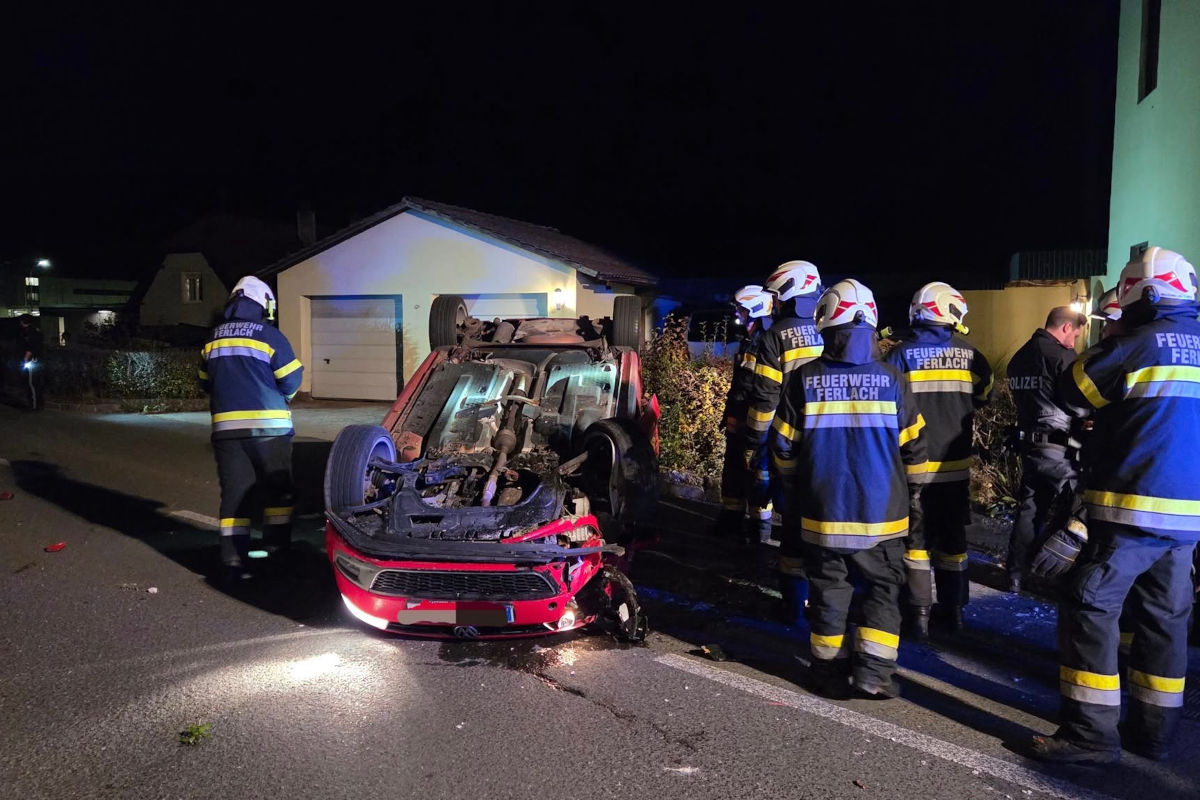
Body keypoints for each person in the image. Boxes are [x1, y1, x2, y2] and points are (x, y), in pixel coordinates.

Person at [1030, 246, 1200, 764]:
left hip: (1132, 508)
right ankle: (1153, 733)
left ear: (1146, 293)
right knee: (1165, 619)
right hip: (1187, 519)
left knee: (1090, 605)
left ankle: (1090, 735)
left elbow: (1073, 389)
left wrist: (1115, 338)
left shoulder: (1136, 344)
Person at [769, 279, 927, 699]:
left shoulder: (804, 379)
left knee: (829, 591)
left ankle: (826, 671)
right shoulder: (893, 380)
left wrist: (796, 484)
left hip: (823, 513)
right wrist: (913, 493)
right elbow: (915, 449)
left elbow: (782, 446)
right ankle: (873, 675)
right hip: (883, 517)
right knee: (882, 590)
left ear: (826, 324)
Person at [885, 282, 992, 636]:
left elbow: (885, 406)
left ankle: (917, 616)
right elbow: (984, 396)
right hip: (956, 469)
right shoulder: (973, 356)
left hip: (913, 470)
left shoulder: (900, 356)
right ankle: (954, 612)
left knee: (916, 543)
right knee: (953, 542)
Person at [199, 276, 304, 580]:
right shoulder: (269, 335)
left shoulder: (212, 339)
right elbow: (292, 380)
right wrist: (281, 396)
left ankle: (233, 558)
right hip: (269, 429)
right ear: (264, 305)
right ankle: (277, 551)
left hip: (227, 432)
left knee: (234, 495)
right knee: (279, 493)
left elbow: (205, 382)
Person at [748, 260, 824, 619]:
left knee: (793, 526)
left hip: (789, 443)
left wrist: (755, 440)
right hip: (833, 445)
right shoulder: (832, 328)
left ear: (791, 294)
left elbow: (765, 399)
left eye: (778, 296)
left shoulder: (775, 336)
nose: (774, 303)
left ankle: (794, 606)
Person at [1003, 306, 1087, 592]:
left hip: (1030, 447)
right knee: (1078, 509)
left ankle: (1015, 575)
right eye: (1076, 335)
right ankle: (1058, 576)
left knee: (1030, 510)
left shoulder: (1019, 358)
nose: (1074, 341)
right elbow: (1079, 404)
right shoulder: (1062, 357)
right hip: (1060, 448)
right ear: (1066, 327)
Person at [716, 285, 775, 544]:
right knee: (733, 470)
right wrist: (729, 416)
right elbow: (739, 384)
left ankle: (759, 530)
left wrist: (750, 424)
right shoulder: (748, 339)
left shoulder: (765, 341)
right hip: (739, 418)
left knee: (756, 475)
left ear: (755, 309)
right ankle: (731, 519)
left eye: (741, 309)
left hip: (753, 422)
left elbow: (759, 389)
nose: (737, 314)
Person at [17, 314, 45, 411]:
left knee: (31, 383)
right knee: (35, 382)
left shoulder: (29, 332)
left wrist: (25, 359)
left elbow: (31, 347)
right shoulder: (35, 330)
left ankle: (34, 406)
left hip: (31, 361)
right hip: (36, 360)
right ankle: (38, 404)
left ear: (23, 321)